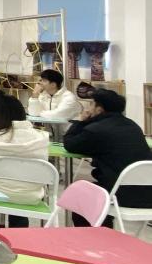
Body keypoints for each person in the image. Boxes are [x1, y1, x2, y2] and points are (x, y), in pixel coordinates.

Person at [64, 89, 152, 225]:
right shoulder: (133, 126)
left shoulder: (96, 130)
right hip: (147, 194)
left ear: (99, 109)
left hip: (119, 195)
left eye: (91, 104)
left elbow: (70, 144)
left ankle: (95, 236)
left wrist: (81, 121)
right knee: (98, 191)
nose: (88, 108)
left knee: (82, 196)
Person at [0, 93, 50, 230]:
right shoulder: (40, 139)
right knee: (22, 185)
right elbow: (44, 165)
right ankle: (18, 233)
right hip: (31, 196)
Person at [28, 68, 81, 138]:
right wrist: (35, 95)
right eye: (40, 80)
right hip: (52, 138)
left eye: (44, 81)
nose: (40, 83)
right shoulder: (43, 96)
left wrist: (40, 114)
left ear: (53, 84)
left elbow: (57, 115)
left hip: (70, 137)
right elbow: (33, 113)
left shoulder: (69, 97)